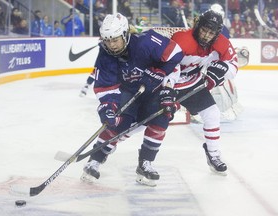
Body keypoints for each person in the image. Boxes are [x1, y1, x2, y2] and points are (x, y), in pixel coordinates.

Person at [80, 13, 183, 186]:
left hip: (155, 90)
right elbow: (105, 85)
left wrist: (160, 72)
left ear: (126, 34)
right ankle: (95, 160)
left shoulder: (146, 41)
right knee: (117, 122)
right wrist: (108, 107)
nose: (112, 45)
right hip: (127, 91)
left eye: (115, 40)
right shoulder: (105, 54)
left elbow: (175, 53)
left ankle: (145, 163)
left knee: (161, 119)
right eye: (108, 40)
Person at [170, 9, 238, 175]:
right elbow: (166, 66)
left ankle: (213, 154)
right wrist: (167, 90)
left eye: (211, 32)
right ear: (198, 26)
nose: (207, 35)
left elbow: (234, 66)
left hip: (192, 83)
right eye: (204, 30)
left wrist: (223, 68)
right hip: (168, 83)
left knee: (212, 113)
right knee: (145, 121)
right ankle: (104, 150)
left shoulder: (221, 43)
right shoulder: (181, 39)